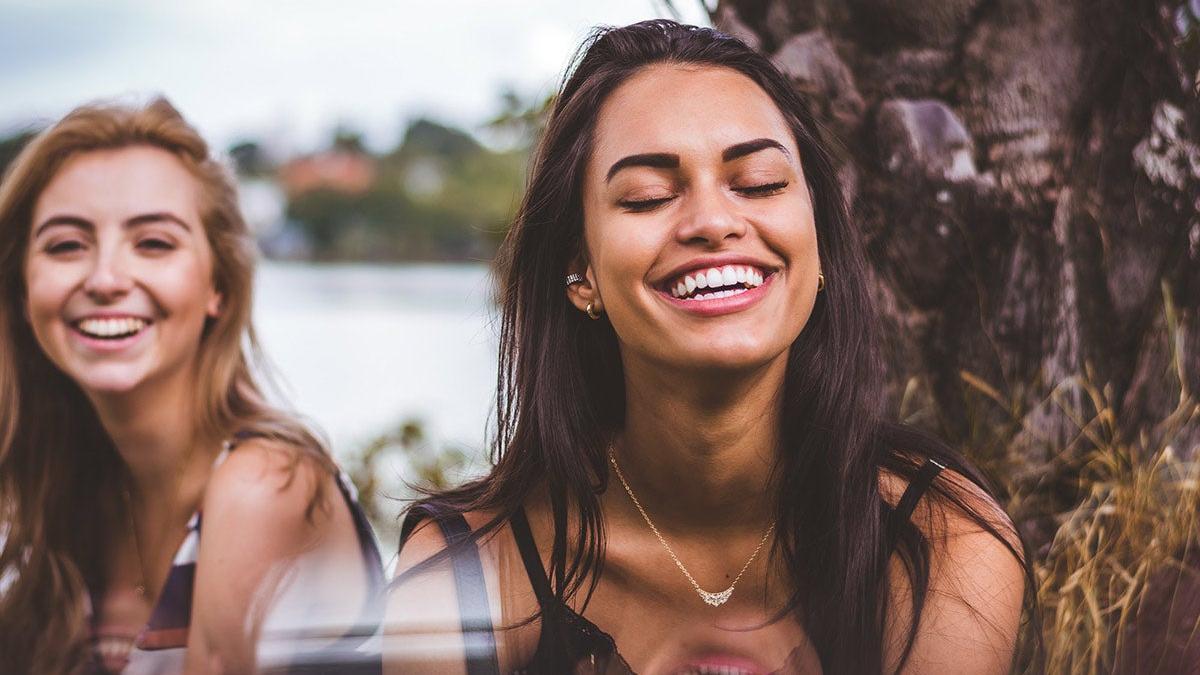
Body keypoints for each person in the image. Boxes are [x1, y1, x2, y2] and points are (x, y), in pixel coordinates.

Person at [385, 20, 1029, 675]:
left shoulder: (941, 542)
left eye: (758, 183)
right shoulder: (462, 579)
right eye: (649, 196)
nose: (715, 222)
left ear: (820, 244)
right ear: (580, 272)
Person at [0, 98, 384, 674]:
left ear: (218, 288)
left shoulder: (264, 487)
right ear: (23, 290)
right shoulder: (48, 493)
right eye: (65, 245)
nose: (105, 279)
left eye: (153, 243)